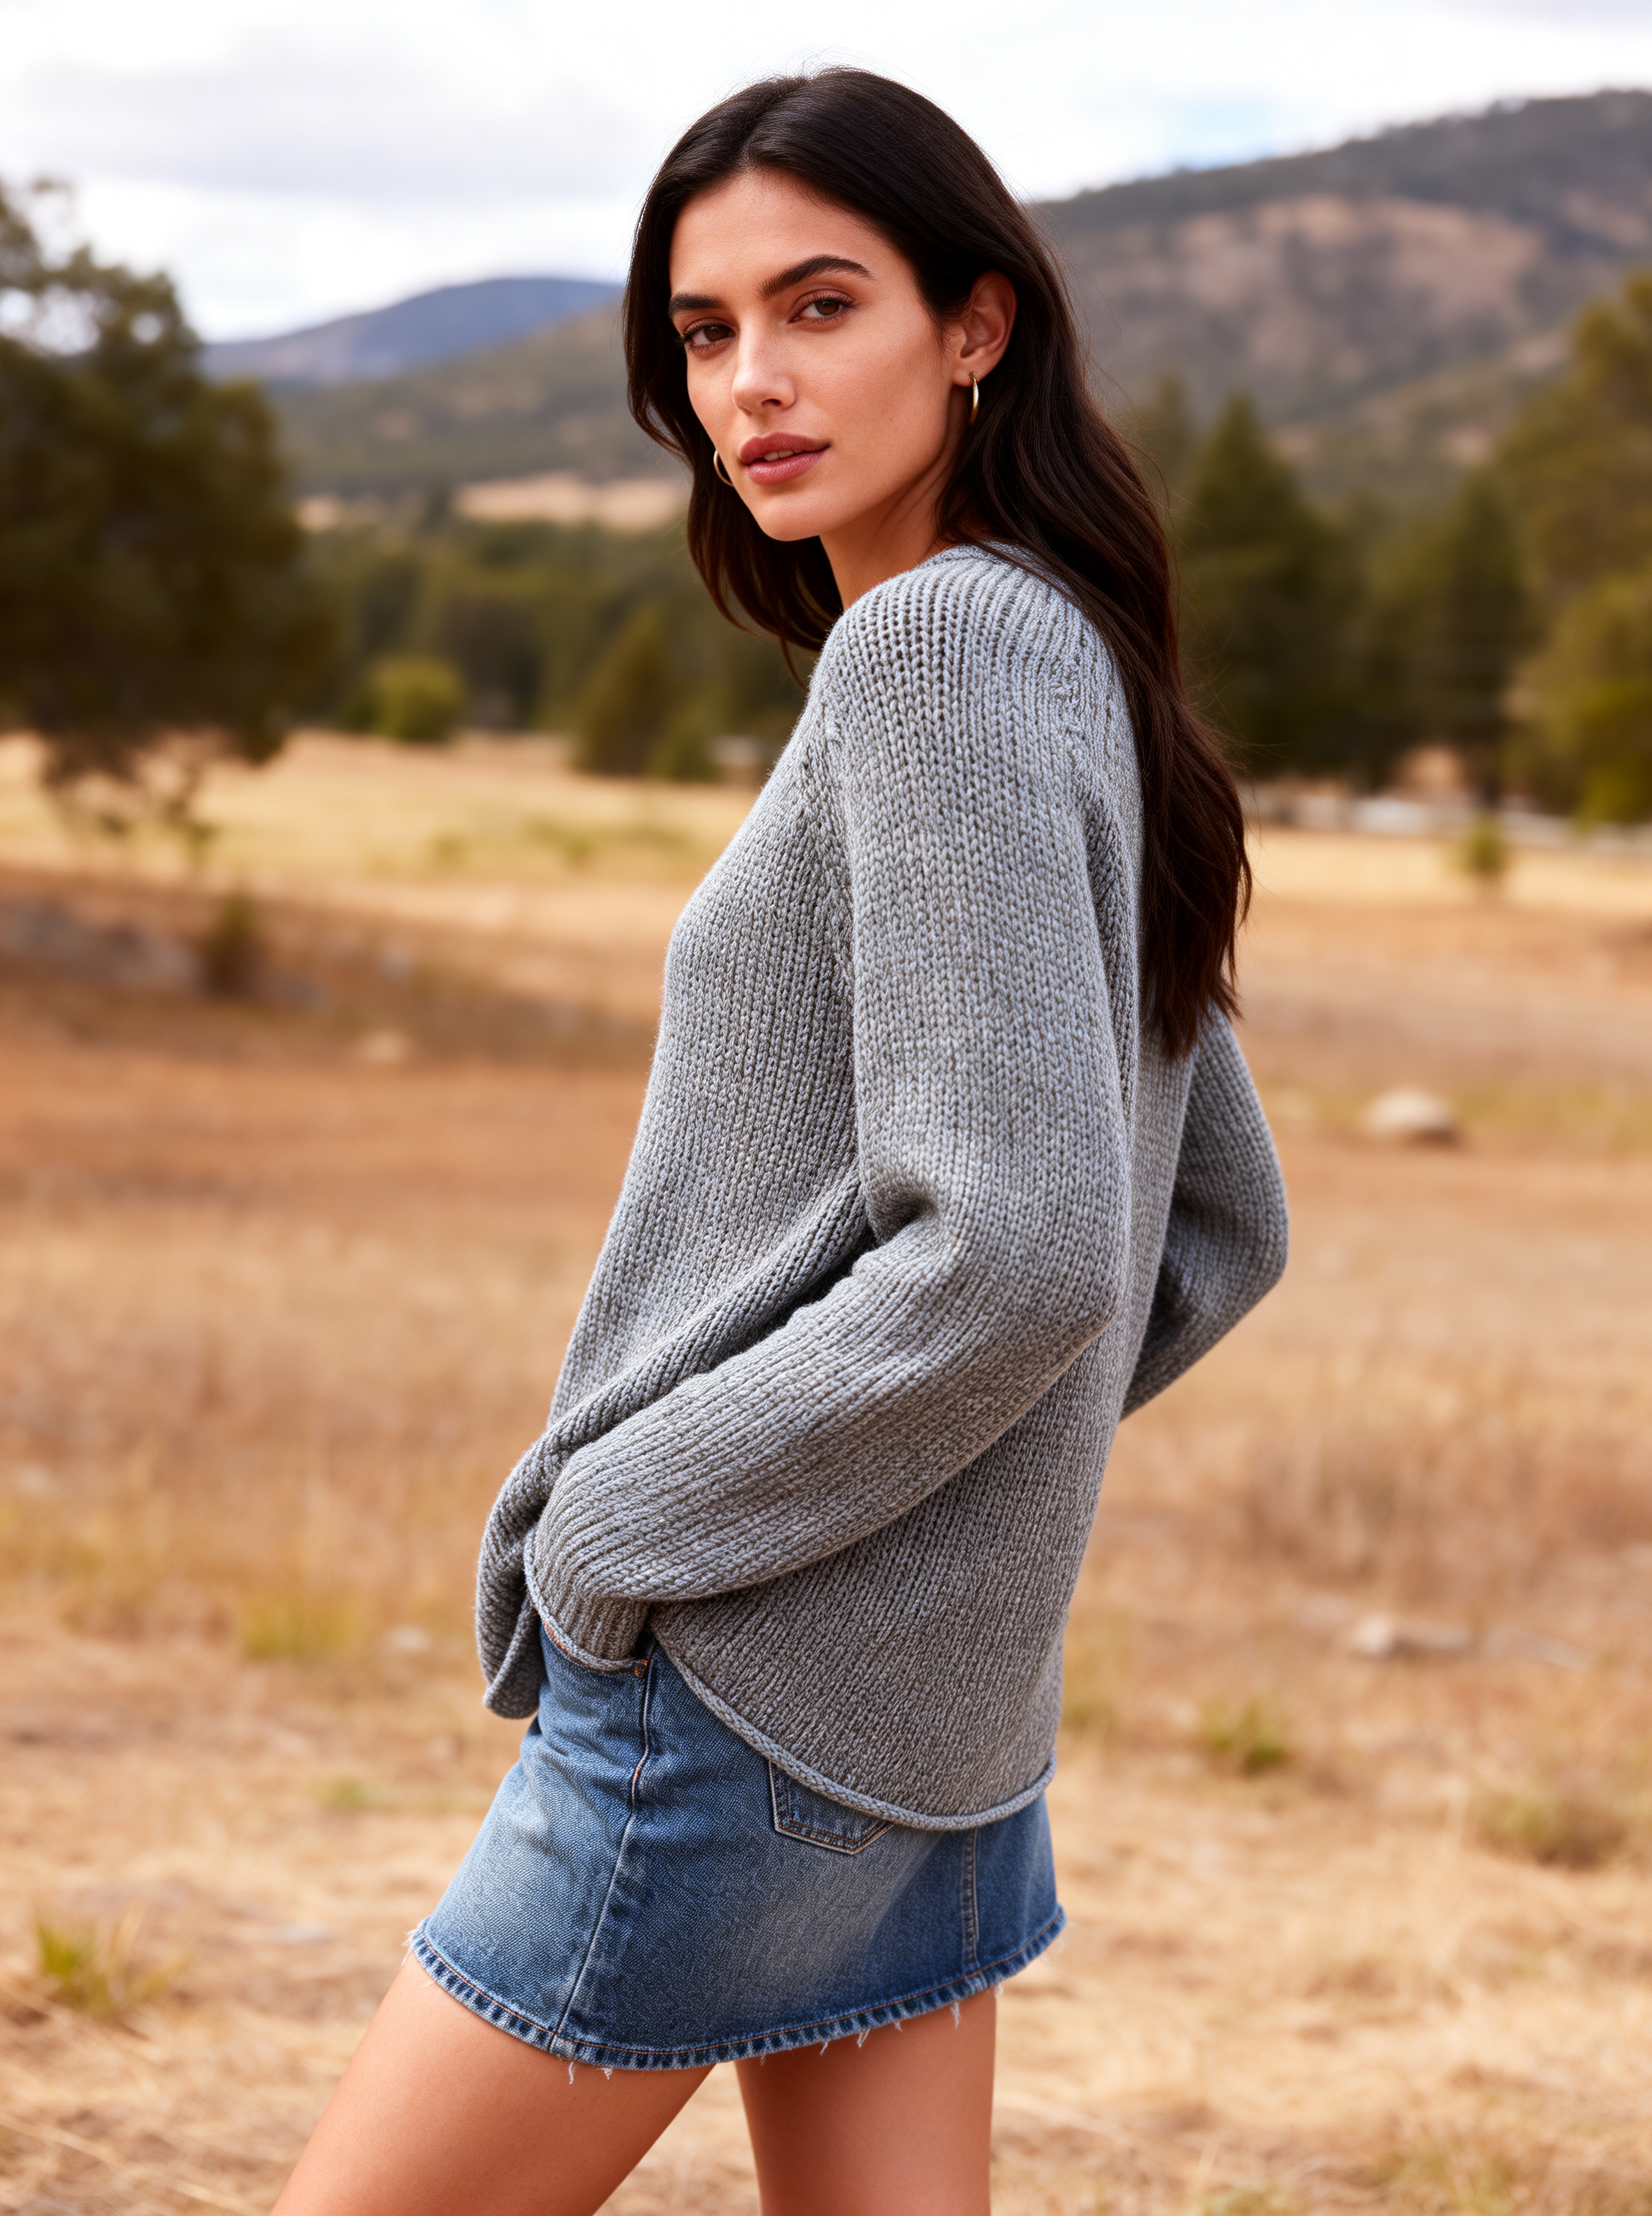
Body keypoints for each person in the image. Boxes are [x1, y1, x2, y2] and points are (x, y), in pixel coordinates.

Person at [274, 67, 1287, 2216]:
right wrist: (936, 1536)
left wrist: (636, 1520)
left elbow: (1031, 1248)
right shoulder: (1065, 650)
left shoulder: (935, 653)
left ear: (977, 324)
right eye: (706, 331)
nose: (754, 381)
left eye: (820, 306)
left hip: (748, 1690)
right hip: (930, 1718)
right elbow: (1213, 1227)